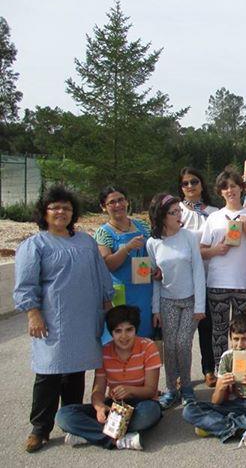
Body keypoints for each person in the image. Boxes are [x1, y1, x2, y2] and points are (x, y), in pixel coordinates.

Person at [14, 185, 114, 453]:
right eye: (55, 207)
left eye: (66, 208)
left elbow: (102, 275)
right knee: (49, 374)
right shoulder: (35, 245)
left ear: (73, 213)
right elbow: (26, 284)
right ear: (44, 212)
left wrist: (109, 305)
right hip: (53, 321)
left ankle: (72, 421)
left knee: (75, 371)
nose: (61, 212)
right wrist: (32, 312)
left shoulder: (85, 241)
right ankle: (40, 428)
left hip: (84, 318)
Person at [55, 305, 162, 450]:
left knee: (148, 414)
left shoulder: (148, 347)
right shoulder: (104, 352)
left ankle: (90, 435)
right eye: (118, 331)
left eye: (129, 330)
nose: (124, 336)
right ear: (111, 333)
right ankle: (119, 440)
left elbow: (151, 390)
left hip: (141, 403)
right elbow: (97, 391)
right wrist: (99, 408)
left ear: (136, 330)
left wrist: (130, 390)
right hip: (114, 406)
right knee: (63, 415)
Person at [183, 314, 246, 448]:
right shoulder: (227, 357)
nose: (239, 345)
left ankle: (216, 427)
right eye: (235, 339)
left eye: (245, 339)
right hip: (233, 404)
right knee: (189, 410)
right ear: (230, 338)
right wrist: (221, 388)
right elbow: (216, 401)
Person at [146, 194, 206, 408]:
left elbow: (198, 270)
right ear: (162, 216)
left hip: (190, 300)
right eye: (173, 212)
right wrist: (156, 310)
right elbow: (155, 278)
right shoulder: (153, 242)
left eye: (179, 211)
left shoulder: (189, 237)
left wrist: (200, 305)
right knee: (170, 347)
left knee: (183, 344)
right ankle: (172, 388)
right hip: (167, 300)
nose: (178, 215)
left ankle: (187, 387)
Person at [200, 167, 246, 367]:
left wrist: (245, 229)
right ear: (220, 192)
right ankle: (221, 370)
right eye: (225, 187)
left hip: (243, 282)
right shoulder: (213, 217)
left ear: (241, 189)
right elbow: (201, 251)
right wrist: (217, 250)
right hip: (217, 282)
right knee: (219, 329)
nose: (230, 191)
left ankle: (241, 369)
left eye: (234, 186)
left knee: (242, 332)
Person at [95, 185, 154, 339]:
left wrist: (157, 268)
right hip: (121, 294)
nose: (118, 205)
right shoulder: (104, 233)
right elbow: (108, 264)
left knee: (145, 337)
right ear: (103, 207)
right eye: (112, 202)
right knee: (124, 338)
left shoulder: (143, 226)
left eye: (121, 200)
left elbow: (154, 252)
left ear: (127, 202)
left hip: (145, 291)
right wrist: (127, 248)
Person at [178, 167, 219, 387]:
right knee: (182, 330)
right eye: (185, 183)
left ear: (202, 184)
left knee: (207, 326)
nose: (190, 186)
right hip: (182, 277)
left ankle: (209, 368)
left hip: (209, 275)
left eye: (194, 182)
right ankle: (179, 374)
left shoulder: (213, 212)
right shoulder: (175, 211)